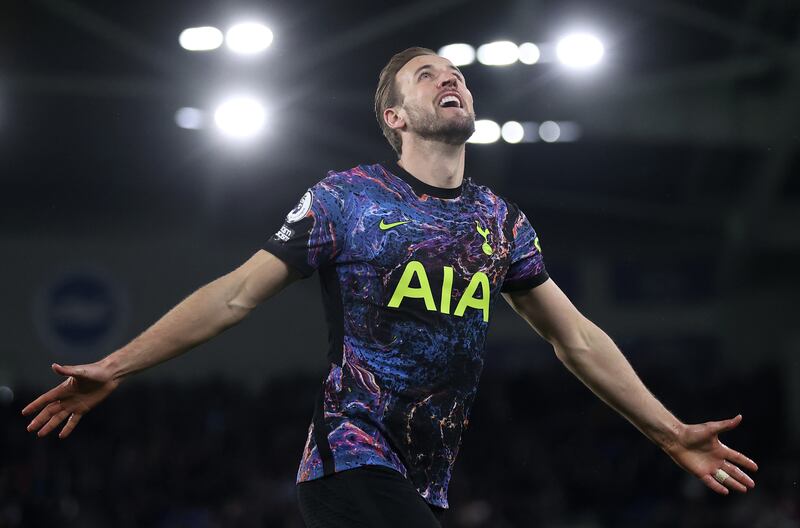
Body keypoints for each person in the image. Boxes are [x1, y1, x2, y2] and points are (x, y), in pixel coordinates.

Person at [22, 47, 758, 527]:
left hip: (422, 487)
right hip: (348, 458)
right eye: (428, 74)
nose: (452, 79)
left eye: (458, 74)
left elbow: (576, 338)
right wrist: (114, 367)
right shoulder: (347, 199)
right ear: (395, 117)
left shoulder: (500, 222)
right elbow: (236, 295)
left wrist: (669, 431)